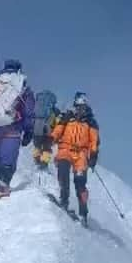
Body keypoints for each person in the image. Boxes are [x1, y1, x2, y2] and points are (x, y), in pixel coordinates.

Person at [0, 58, 35, 198]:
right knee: (8, 158)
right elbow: (29, 111)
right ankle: (3, 184)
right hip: (13, 129)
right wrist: (29, 130)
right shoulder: (23, 86)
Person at [49, 91, 100, 224]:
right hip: (65, 149)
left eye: (82, 107)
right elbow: (58, 130)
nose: (79, 109)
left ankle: (83, 213)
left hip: (81, 154)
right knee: (63, 173)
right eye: (77, 106)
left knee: (80, 183)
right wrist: (51, 138)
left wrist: (93, 155)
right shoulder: (68, 117)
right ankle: (64, 200)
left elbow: (94, 141)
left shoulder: (91, 122)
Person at [32, 90, 60, 169]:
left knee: (37, 146)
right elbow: (58, 121)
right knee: (46, 148)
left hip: (37, 129)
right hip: (48, 130)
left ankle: (37, 160)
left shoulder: (37, 109)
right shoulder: (55, 110)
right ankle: (44, 163)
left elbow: (32, 118)